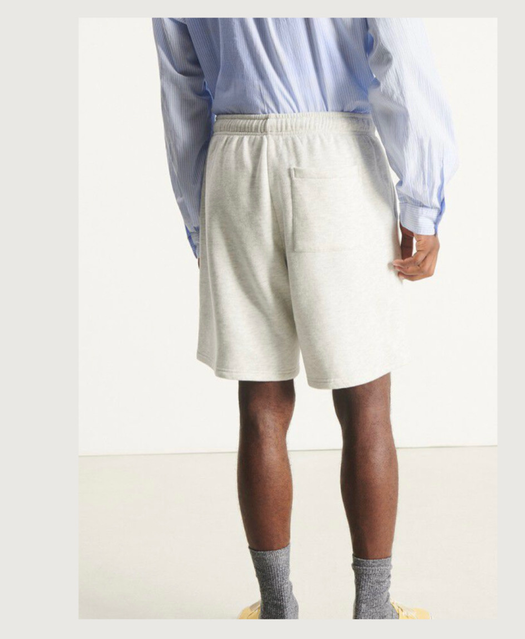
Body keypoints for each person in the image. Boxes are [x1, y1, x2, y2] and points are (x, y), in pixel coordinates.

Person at [153, 17, 457, 620]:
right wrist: (424, 202)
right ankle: (373, 611)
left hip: (233, 161)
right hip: (335, 156)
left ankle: (276, 610)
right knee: (366, 402)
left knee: (261, 402)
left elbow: (182, 88)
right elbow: (399, 58)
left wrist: (199, 219)